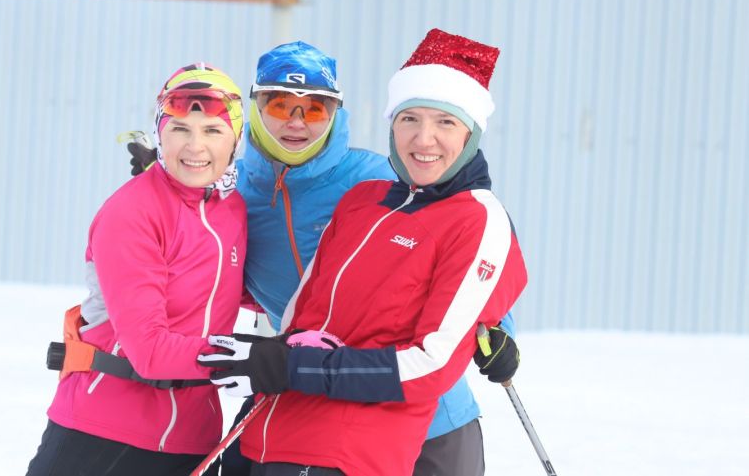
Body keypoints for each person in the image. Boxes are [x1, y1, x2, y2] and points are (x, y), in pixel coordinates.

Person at [128, 41, 522, 475]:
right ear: (255, 108)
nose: (296, 123)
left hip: (428, 408)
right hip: (305, 393)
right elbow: (213, 274)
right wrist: (172, 186)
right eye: (279, 104)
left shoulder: (377, 179)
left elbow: (475, 255)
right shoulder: (235, 198)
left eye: (314, 109)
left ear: (335, 113)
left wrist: (499, 329)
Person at [26, 63, 248, 476]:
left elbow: (233, 285)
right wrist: (249, 360)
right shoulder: (132, 212)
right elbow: (148, 349)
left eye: (212, 131)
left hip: (191, 437)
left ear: (235, 140)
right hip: (100, 434)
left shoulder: (231, 210)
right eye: (180, 129)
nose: (195, 146)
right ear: (160, 134)